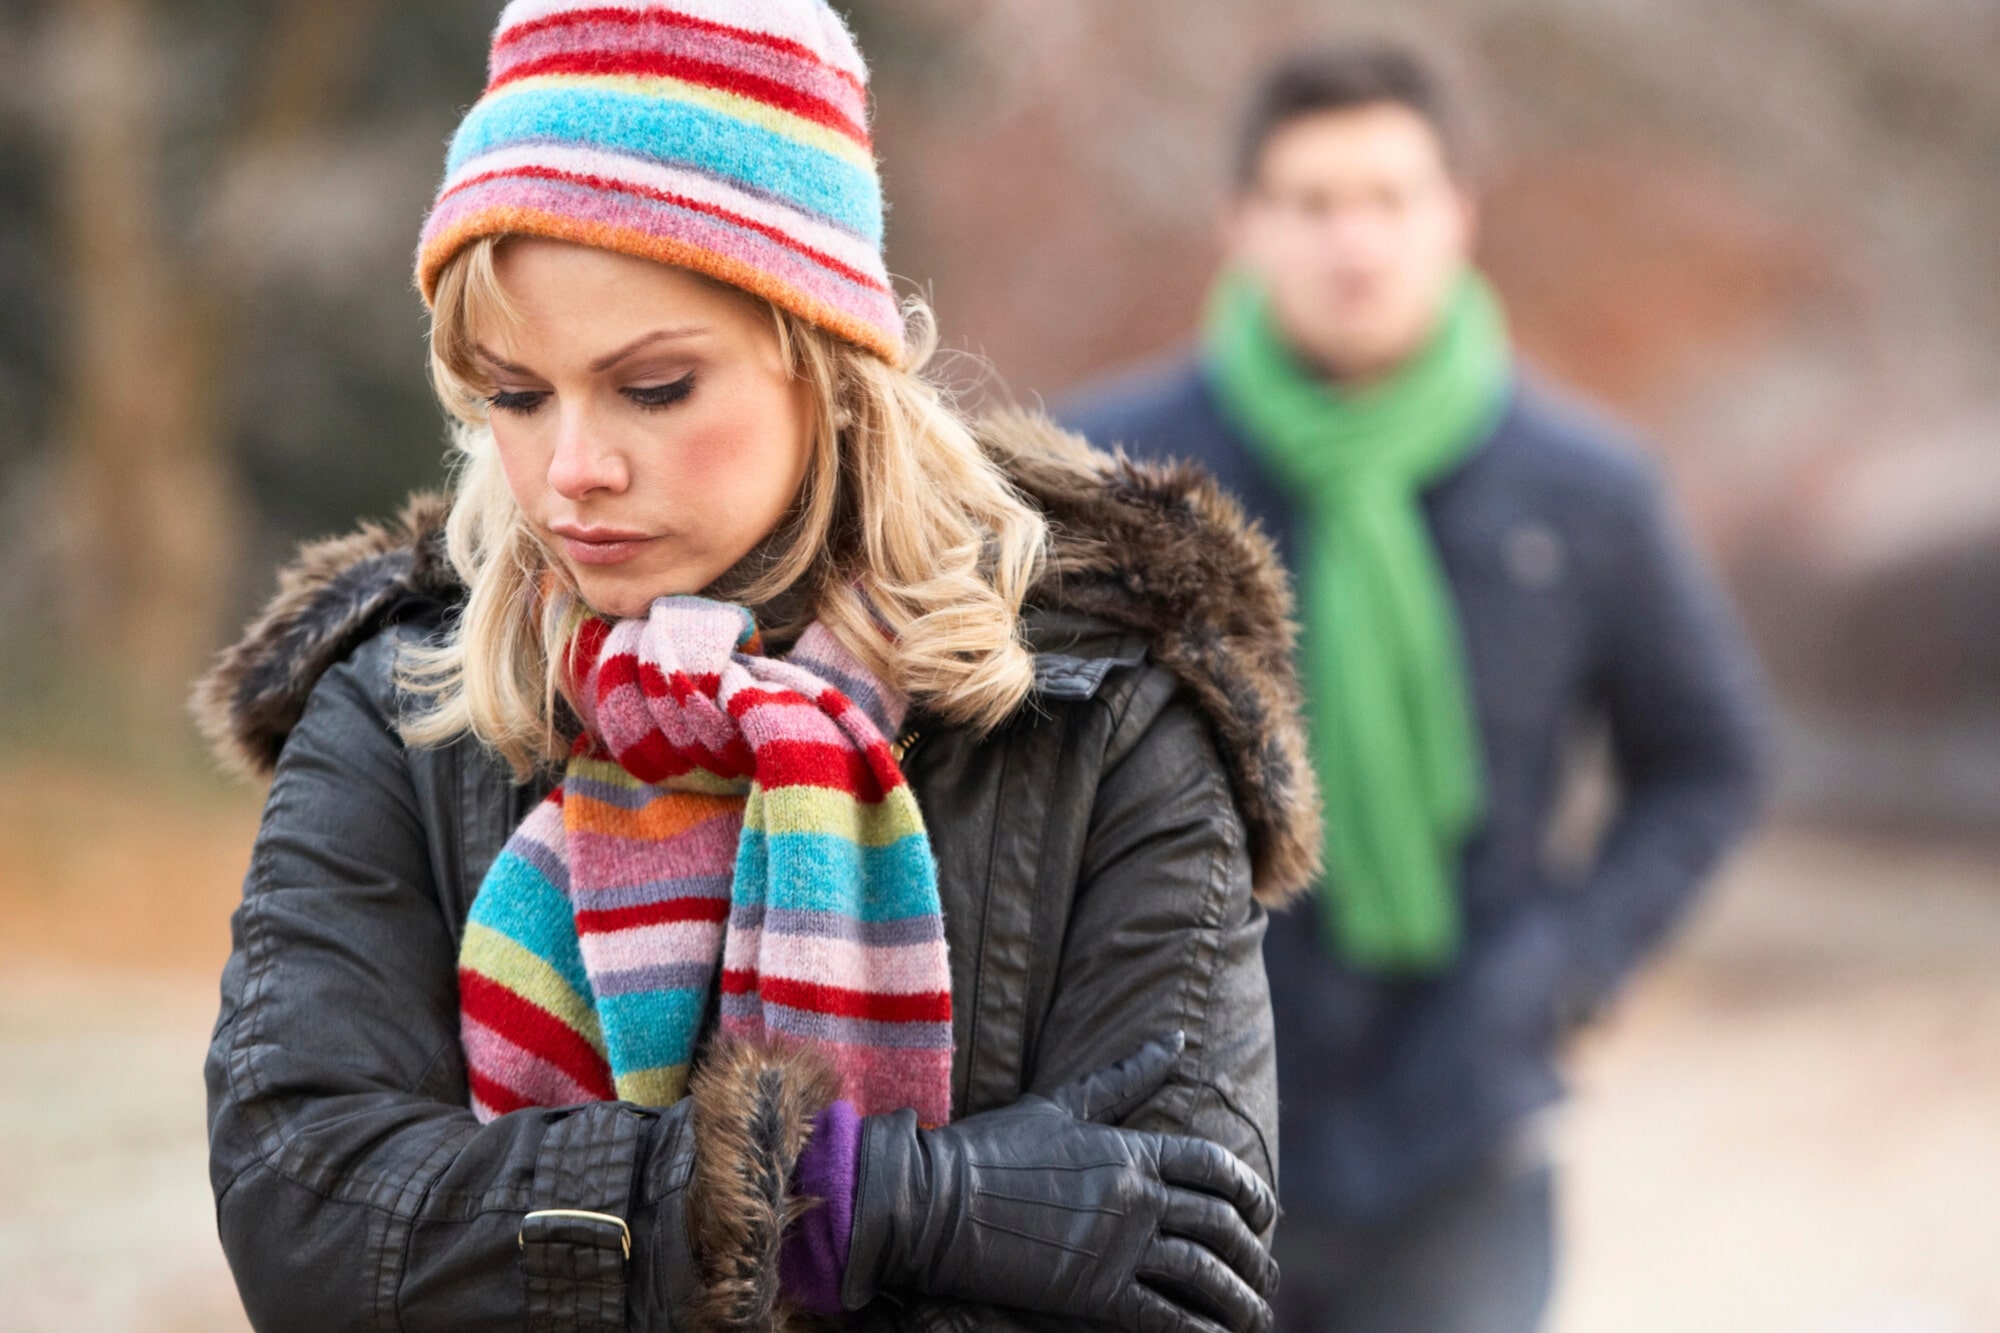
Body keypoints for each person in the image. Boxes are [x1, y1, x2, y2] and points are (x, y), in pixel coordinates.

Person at [195, 3, 1320, 1329]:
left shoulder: (1107, 712)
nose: (573, 470)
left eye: (656, 386)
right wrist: (839, 1204)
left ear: (827, 361)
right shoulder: (393, 706)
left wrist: (693, 1221)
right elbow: (308, 1218)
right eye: (515, 393)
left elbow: (1181, 1256)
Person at [1060, 42, 1767, 1333]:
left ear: (1457, 217)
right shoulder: (1110, 472)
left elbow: (1711, 759)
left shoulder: (1585, 486)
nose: (1355, 240)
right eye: (1313, 202)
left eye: (1390, 198)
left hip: (1461, 1125)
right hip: (1173, 1130)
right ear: (1242, 225)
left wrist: (1569, 967)